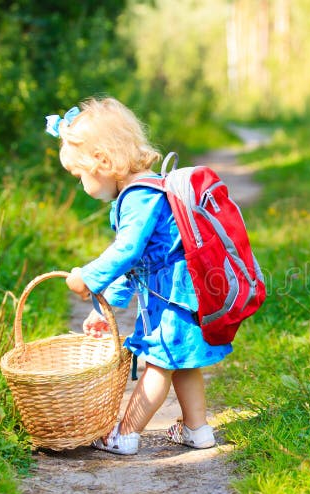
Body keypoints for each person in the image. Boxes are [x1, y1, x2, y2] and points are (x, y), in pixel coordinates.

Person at [45, 97, 232, 455]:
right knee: (180, 360)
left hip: (174, 297)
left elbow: (127, 252)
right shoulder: (149, 189)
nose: (81, 184)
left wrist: (88, 277)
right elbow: (139, 264)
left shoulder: (138, 196)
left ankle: (125, 435)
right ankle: (198, 429)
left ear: (101, 161)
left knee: (159, 363)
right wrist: (104, 310)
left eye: (79, 175)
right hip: (184, 294)